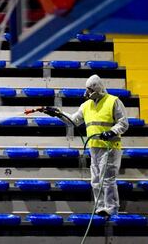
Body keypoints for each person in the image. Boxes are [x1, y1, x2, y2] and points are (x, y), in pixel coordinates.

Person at [43, 74, 129, 217]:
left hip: (110, 147)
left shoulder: (113, 101)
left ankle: (112, 208)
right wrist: (58, 114)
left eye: (89, 89)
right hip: (94, 148)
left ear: (97, 88)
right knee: (95, 179)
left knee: (107, 179)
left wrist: (112, 132)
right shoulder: (86, 105)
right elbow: (73, 121)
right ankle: (100, 206)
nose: (87, 92)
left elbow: (123, 123)